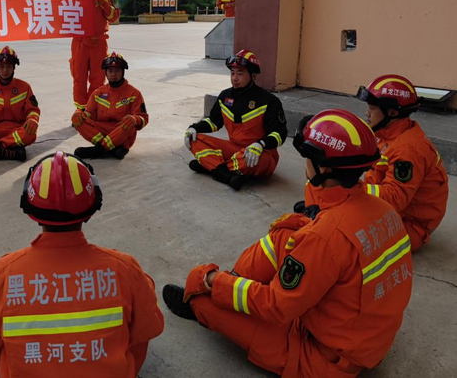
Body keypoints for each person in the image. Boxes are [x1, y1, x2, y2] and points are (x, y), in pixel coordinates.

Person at [163, 109, 413, 377]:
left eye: (307, 157)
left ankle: (209, 295)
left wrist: (211, 280)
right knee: (287, 232)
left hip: (324, 357)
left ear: (324, 167)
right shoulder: (382, 208)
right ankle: (239, 280)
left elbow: (276, 306)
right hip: (358, 335)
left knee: (203, 300)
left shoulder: (325, 236)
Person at [0, 151, 164, 377]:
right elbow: (145, 333)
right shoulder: (125, 269)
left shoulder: (1, 273)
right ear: (93, 204)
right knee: (141, 287)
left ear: (29, 205)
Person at [357, 74, 449, 251]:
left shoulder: (408, 149)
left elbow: (394, 198)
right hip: (387, 212)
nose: (366, 113)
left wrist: (352, 190)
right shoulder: (385, 133)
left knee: (343, 239)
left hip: (409, 225)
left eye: (372, 108)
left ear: (392, 112)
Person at [185, 50, 287, 190]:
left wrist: (261, 144)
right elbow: (214, 122)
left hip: (260, 153)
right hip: (234, 149)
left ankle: (211, 167)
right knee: (194, 139)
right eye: (232, 73)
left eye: (240, 73)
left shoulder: (269, 101)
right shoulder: (225, 96)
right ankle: (226, 173)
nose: (234, 78)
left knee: (256, 160)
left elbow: (280, 134)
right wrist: (194, 127)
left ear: (254, 75)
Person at [67, 0, 120, 111]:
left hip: (99, 43)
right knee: (79, 79)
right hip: (79, 43)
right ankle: (80, 110)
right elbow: (61, 20)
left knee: (98, 79)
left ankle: (91, 108)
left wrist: (103, 3)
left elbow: (113, 17)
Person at [72, 52, 148, 160]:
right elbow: (88, 116)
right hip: (103, 131)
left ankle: (99, 150)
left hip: (123, 133)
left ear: (123, 72)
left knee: (129, 123)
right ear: (106, 73)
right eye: (110, 71)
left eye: (117, 71)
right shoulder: (98, 93)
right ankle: (113, 150)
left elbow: (143, 118)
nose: (113, 74)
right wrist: (78, 113)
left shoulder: (134, 93)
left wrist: (135, 119)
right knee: (78, 121)